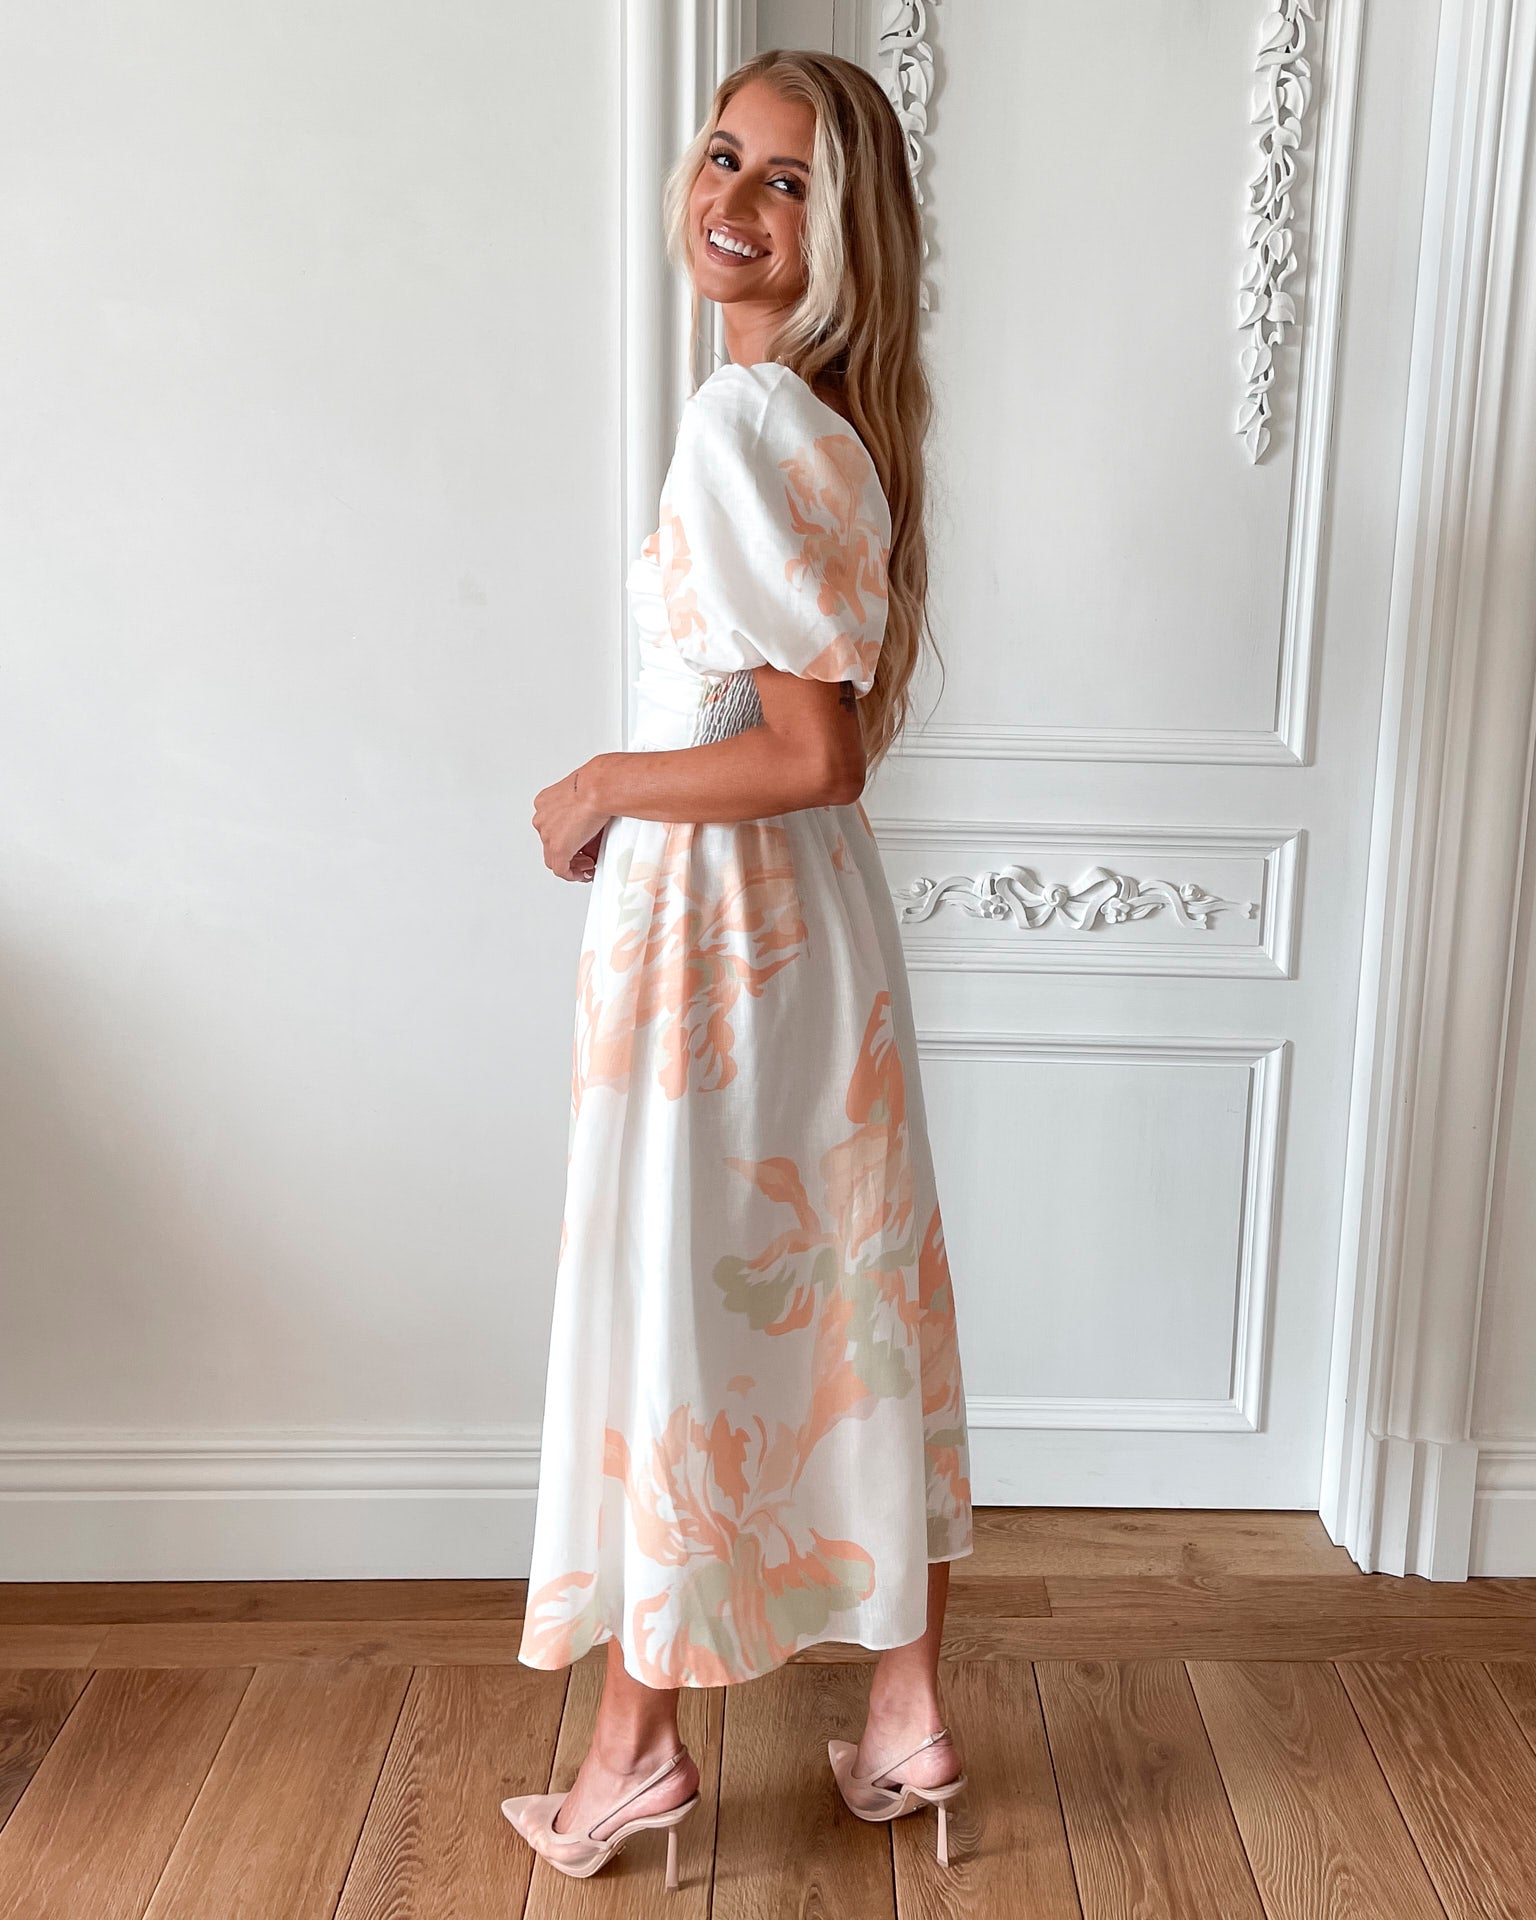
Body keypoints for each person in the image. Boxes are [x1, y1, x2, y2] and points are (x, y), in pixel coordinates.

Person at [501, 47, 974, 1890]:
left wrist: (602, 780)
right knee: (848, 1297)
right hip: (812, 932)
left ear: (845, 233)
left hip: (721, 938)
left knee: (682, 1317)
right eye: (723, 156)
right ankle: (905, 1714)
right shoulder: (831, 427)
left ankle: (632, 1756)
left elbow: (808, 751)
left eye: (789, 181)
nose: (735, 199)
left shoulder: (743, 422)